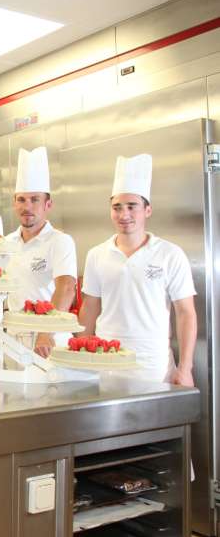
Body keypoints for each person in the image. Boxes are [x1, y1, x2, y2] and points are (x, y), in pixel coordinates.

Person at [78, 154, 197, 385]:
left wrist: (185, 368)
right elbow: (90, 307)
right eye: (117, 207)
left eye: (132, 206)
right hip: (105, 364)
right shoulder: (96, 254)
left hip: (153, 367)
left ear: (147, 210)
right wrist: (80, 355)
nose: (124, 215)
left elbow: (185, 313)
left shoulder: (170, 254)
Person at [4, 147, 77, 358]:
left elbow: (66, 288)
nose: (27, 207)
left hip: (49, 341)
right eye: (21, 200)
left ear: (48, 204)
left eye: (35, 199)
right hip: (14, 340)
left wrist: (47, 332)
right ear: (14, 203)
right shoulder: (6, 243)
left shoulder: (60, 241)